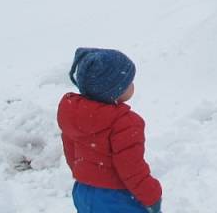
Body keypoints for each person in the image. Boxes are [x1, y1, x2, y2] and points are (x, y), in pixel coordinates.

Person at [57, 48, 162, 213]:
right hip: (116, 198)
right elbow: (131, 168)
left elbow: (72, 153)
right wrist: (152, 196)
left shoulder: (73, 114)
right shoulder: (124, 123)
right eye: (129, 82)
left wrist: (87, 176)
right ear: (115, 91)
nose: (133, 85)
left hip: (83, 192)